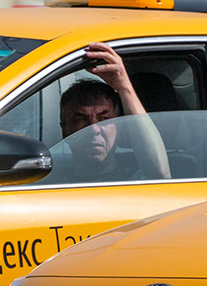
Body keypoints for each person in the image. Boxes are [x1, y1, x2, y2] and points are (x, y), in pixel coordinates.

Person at [56, 42, 169, 182]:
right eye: (81, 119)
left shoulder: (136, 179)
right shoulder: (48, 185)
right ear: (65, 131)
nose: (93, 129)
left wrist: (124, 88)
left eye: (104, 119)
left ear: (120, 125)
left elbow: (160, 173)